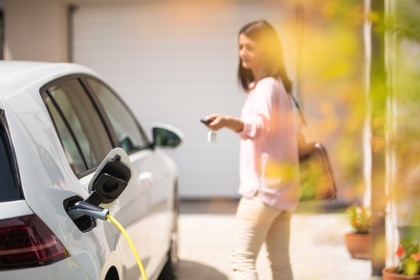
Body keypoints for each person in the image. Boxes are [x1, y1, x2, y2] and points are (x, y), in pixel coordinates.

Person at [203, 20, 300, 280]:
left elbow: (259, 128)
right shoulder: (279, 86)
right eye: (240, 46)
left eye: (250, 47)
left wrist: (227, 122)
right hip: (283, 191)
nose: (242, 53)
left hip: (262, 192)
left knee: (241, 262)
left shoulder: (267, 86)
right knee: (280, 265)